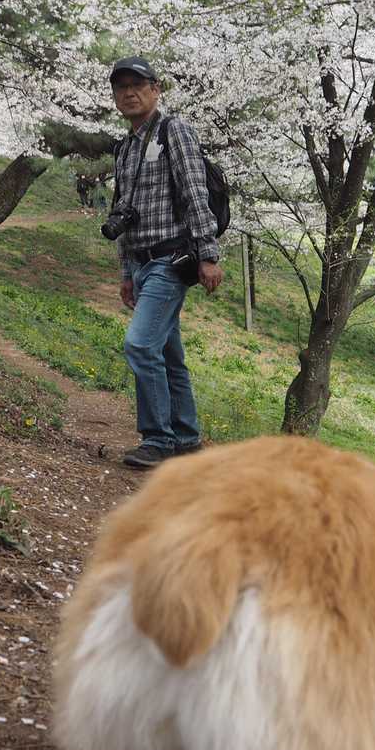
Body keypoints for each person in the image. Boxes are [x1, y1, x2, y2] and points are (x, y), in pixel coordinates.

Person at [104, 55, 223, 468]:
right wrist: (126, 273)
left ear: (156, 89)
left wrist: (208, 254)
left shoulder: (175, 131)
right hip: (140, 263)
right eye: (121, 87)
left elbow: (194, 193)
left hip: (171, 261)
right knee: (168, 354)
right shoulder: (124, 149)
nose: (129, 93)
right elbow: (122, 211)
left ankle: (158, 440)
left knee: (140, 344)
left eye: (137, 85)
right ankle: (186, 438)